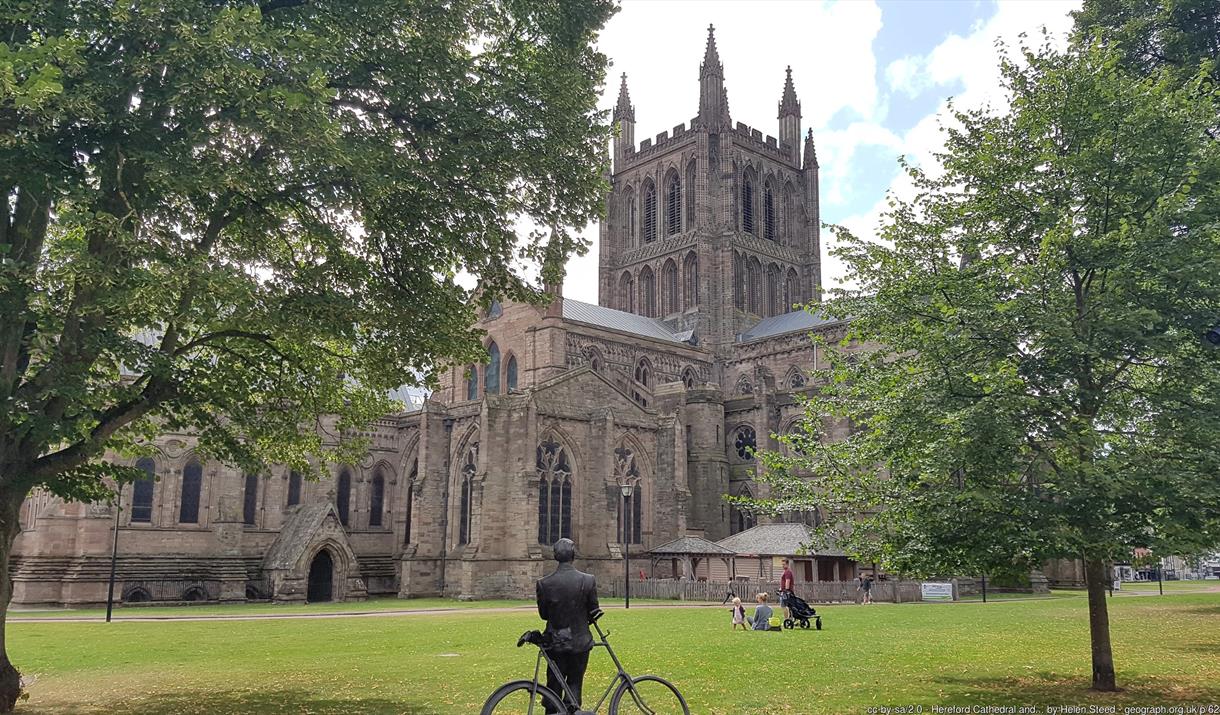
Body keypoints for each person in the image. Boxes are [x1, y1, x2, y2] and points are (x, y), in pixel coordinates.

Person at [536, 538, 600, 714]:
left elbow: (544, 615)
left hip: (555, 643)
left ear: (555, 556)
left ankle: (552, 711)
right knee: (575, 682)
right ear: (573, 555)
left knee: (553, 685)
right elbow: (594, 611)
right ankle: (572, 709)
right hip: (580, 642)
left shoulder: (544, 583)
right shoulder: (588, 580)